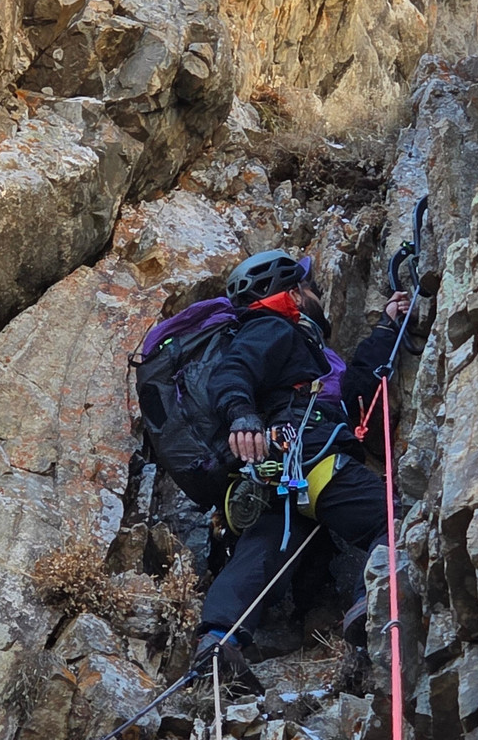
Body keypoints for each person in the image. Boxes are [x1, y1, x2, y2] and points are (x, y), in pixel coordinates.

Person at [192, 249, 410, 691]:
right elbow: (232, 372)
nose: (313, 295)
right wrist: (241, 415)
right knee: (394, 520)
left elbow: (353, 391)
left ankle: (218, 644)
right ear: (290, 292)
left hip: (273, 476)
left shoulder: (305, 354)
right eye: (306, 287)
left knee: (264, 551)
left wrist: (388, 326)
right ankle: (372, 601)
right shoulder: (271, 327)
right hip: (308, 457)